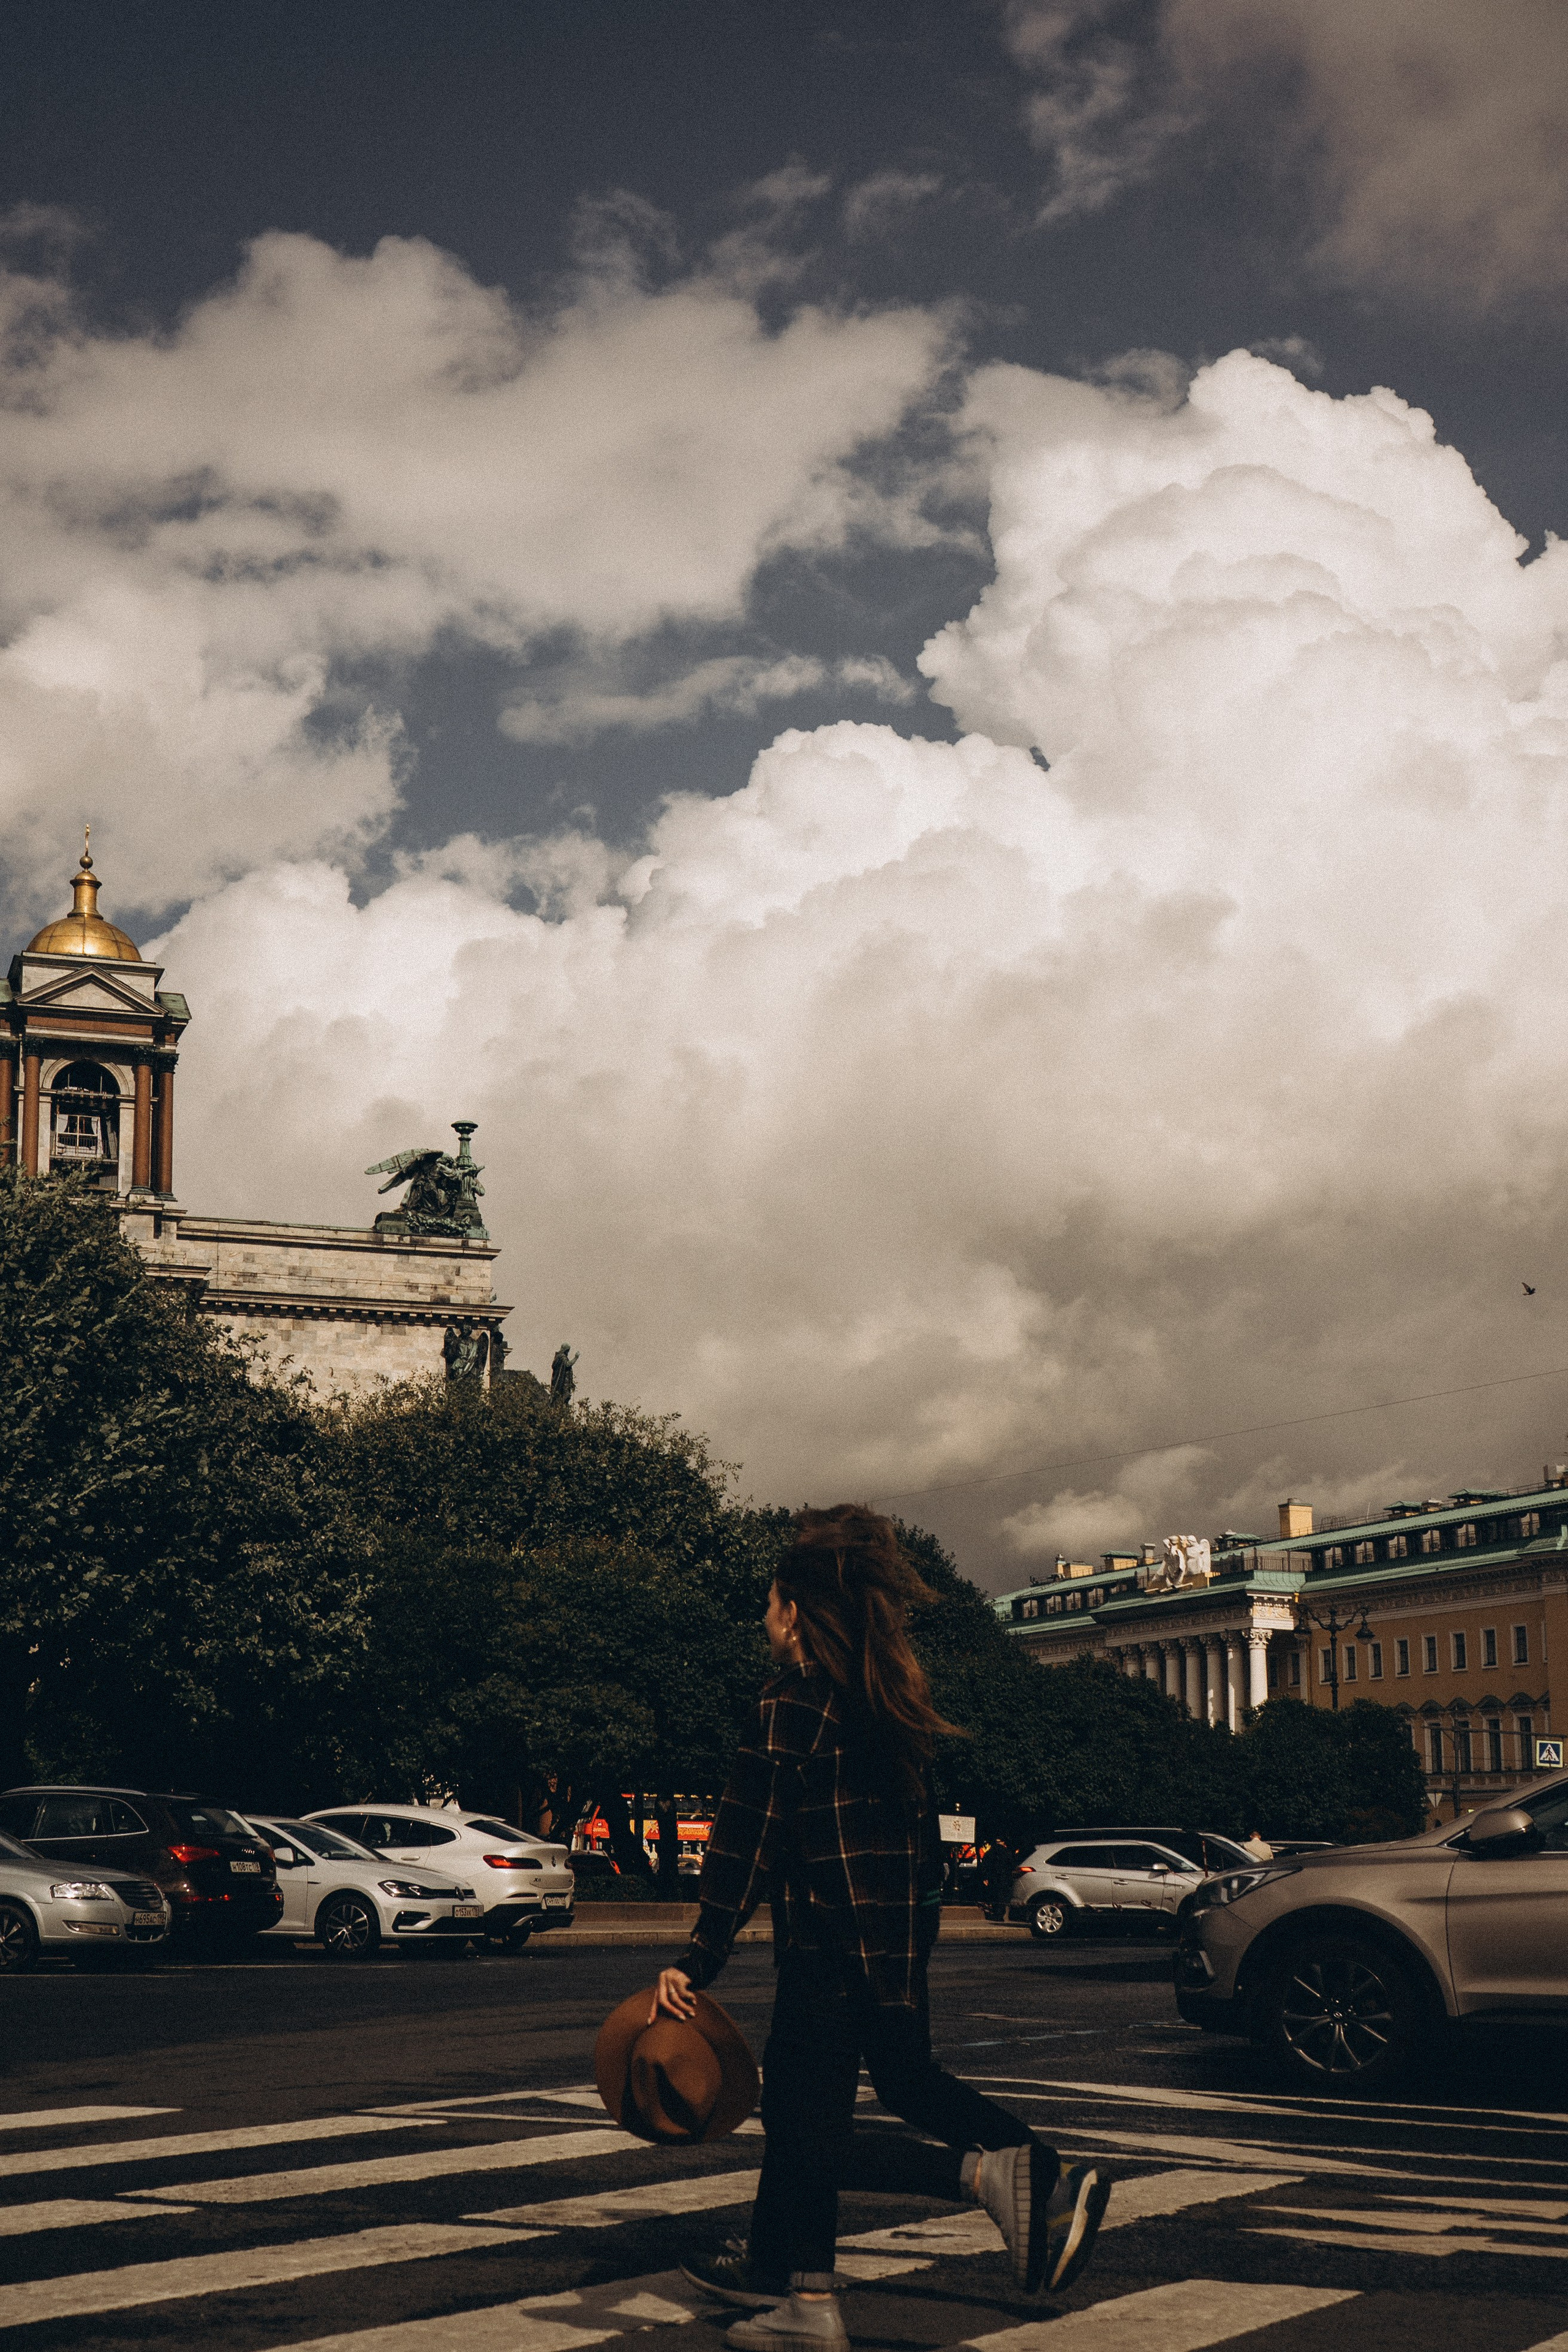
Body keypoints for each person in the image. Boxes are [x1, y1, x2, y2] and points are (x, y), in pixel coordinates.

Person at [649, 1505, 1109, 2352]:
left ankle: (977, 2183)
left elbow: (746, 1843)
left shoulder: (789, 1703)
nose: (762, 1619)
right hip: (893, 1947)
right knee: (893, 2088)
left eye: (768, 1604)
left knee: (802, 2130)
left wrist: (698, 1958)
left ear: (795, 1614)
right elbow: (916, 1850)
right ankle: (806, 2281)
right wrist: (907, 1948)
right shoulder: (887, 1703)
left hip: (826, 1948)